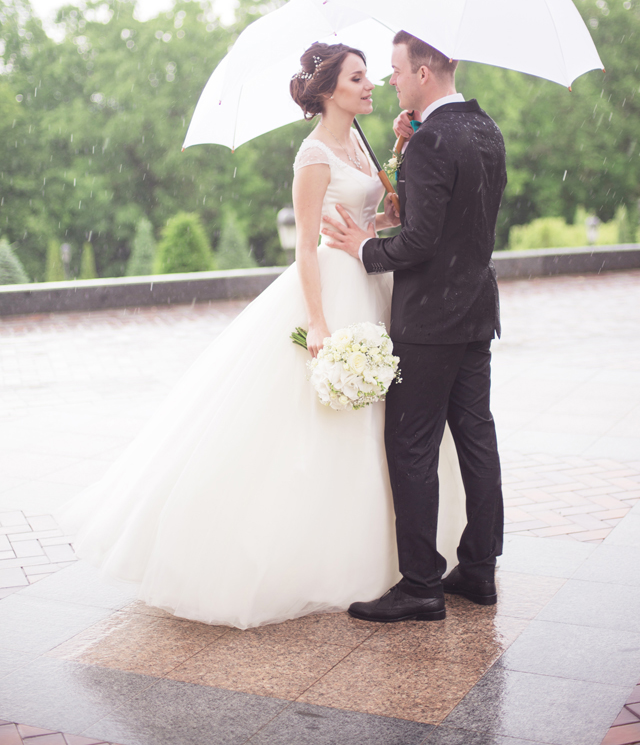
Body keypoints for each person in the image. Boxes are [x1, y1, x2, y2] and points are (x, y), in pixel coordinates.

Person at [58, 41, 466, 630]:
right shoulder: (313, 155)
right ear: (329, 90)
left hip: (373, 281)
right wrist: (319, 322)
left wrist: (387, 206)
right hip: (333, 289)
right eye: (358, 77)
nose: (371, 84)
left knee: (385, 426)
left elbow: (366, 219)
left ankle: (394, 556)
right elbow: (306, 247)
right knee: (323, 424)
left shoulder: (360, 142)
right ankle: (310, 557)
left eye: (371, 75)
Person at [323, 30, 507, 624]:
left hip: (429, 322)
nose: (391, 80)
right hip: (475, 311)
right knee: (476, 439)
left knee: (411, 446)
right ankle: (479, 568)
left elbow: (422, 241)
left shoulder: (433, 141)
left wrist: (364, 247)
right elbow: (455, 220)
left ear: (423, 74)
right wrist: (407, 149)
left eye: (397, 70)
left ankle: (421, 585)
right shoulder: (485, 128)